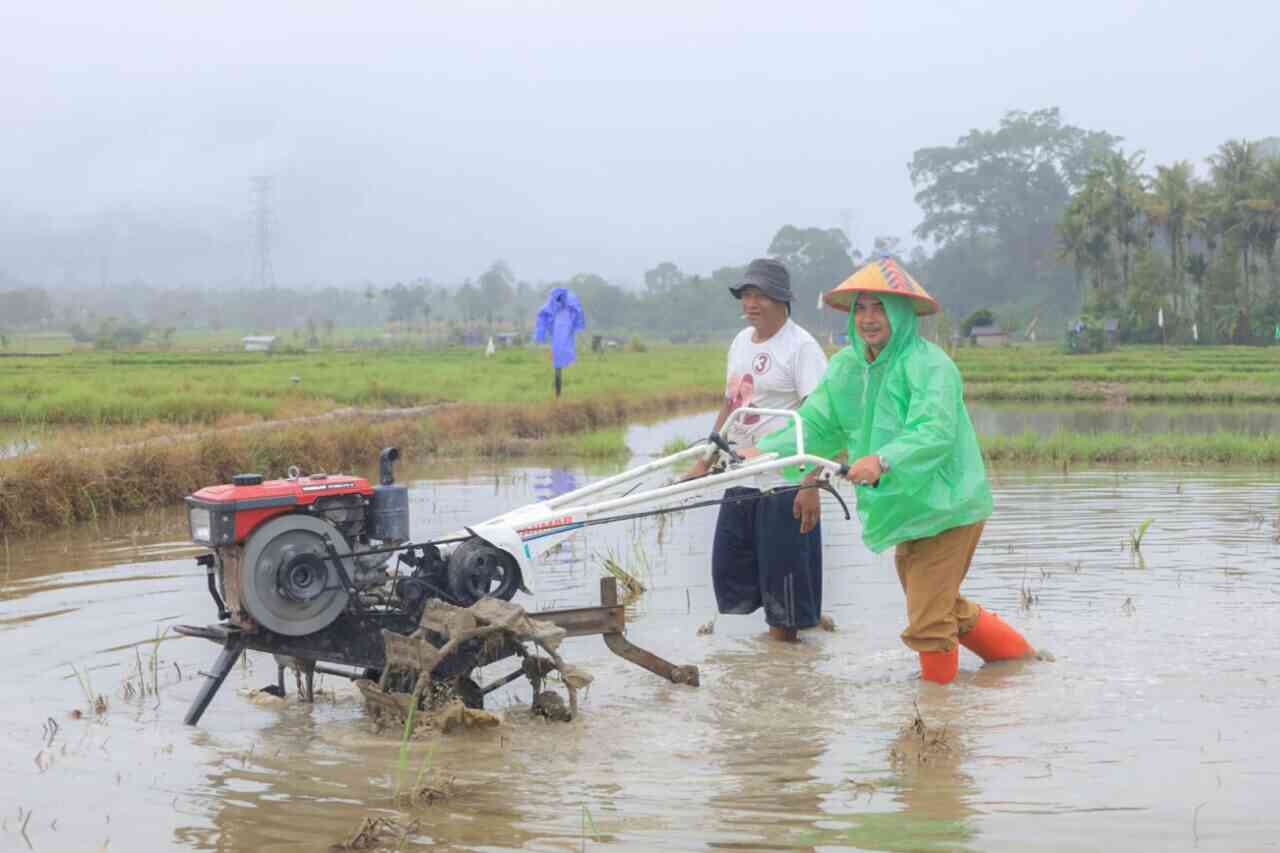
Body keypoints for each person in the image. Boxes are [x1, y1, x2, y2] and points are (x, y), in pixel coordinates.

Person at [753, 256, 1034, 682]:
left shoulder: (930, 365)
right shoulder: (848, 367)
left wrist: (883, 459)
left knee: (927, 619)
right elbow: (817, 421)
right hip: (906, 506)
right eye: (861, 308)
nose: (868, 319)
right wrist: (767, 453)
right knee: (941, 606)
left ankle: (934, 722)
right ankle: (1020, 665)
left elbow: (934, 431)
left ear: (901, 314)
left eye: (880, 307)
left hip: (947, 506)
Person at [687, 258, 829, 642]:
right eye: (746, 295)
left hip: (785, 481)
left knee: (784, 599)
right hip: (741, 475)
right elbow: (731, 405)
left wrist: (811, 483)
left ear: (782, 300)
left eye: (759, 295)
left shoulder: (802, 348)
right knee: (733, 575)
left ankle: (786, 658)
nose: (750, 303)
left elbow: (823, 420)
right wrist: (706, 459)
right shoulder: (739, 342)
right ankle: (807, 623)